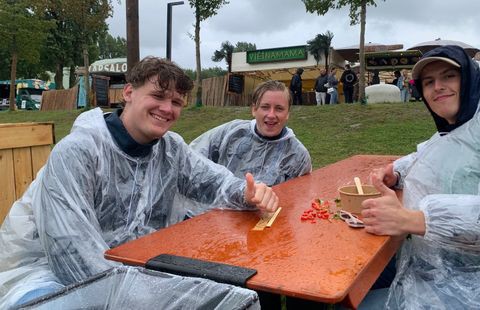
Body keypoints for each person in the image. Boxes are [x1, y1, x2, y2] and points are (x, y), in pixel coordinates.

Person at [0, 56, 279, 308]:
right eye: (158, 96)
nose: (167, 108)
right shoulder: (79, 151)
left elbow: (213, 182)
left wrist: (247, 193)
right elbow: (71, 254)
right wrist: (147, 297)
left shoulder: (170, 148)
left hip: (127, 271)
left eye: (176, 102)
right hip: (43, 279)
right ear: (129, 93)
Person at [360, 45, 480, 308]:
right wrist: (396, 171)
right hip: (443, 267)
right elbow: (433, 154)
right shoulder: (459, 128)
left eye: (448, 76)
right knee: (362, 274)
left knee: (360, 298)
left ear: (470, 80)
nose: (437, 86)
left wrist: (416, 219)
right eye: (429, 82)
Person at [190, 80, 312, 187]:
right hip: (220, 210)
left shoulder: (298, 155)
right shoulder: (231, 132)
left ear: (288, 113)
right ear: (254, 109)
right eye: (265, 107)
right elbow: (192, 159)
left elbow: (298, 197)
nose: (271, 115)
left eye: (279, 109)